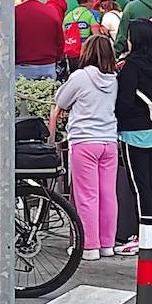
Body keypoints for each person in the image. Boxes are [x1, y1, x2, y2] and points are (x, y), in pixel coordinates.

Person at [50, 34, 120, 261]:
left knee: (86, 195)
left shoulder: (80, 76)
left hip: (84, 140)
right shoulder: (114, 79)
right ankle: (107, 243)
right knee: (108, 194)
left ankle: (89, 246)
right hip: (109, 140)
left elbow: (60, 100)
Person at [114, 18, 152, 256]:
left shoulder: (131, 66)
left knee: (139, 186)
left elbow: (125, 101)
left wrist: (115, 119)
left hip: (134, 131)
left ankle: (144, 236)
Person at [14, 0, 64, 79]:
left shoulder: (14, 13)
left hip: (22, 66)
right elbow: (60, 40)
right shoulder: (51, 11)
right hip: (48, 65)